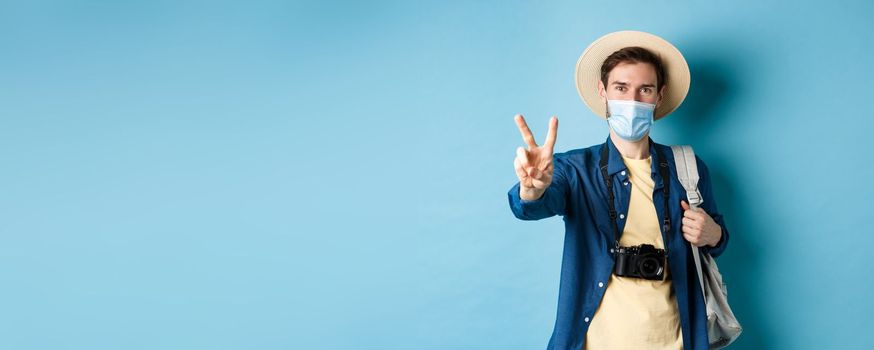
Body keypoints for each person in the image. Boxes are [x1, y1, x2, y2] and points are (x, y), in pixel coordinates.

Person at [507, 31, 730, 350]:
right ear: (603, 91)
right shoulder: (573, 169)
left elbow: (719, 238)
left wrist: (714, 235)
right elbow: (529, 206)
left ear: (659, 95)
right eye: (621, 88)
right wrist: (532, 188)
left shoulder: (688, 167)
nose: (633, 101)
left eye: (645, 90)